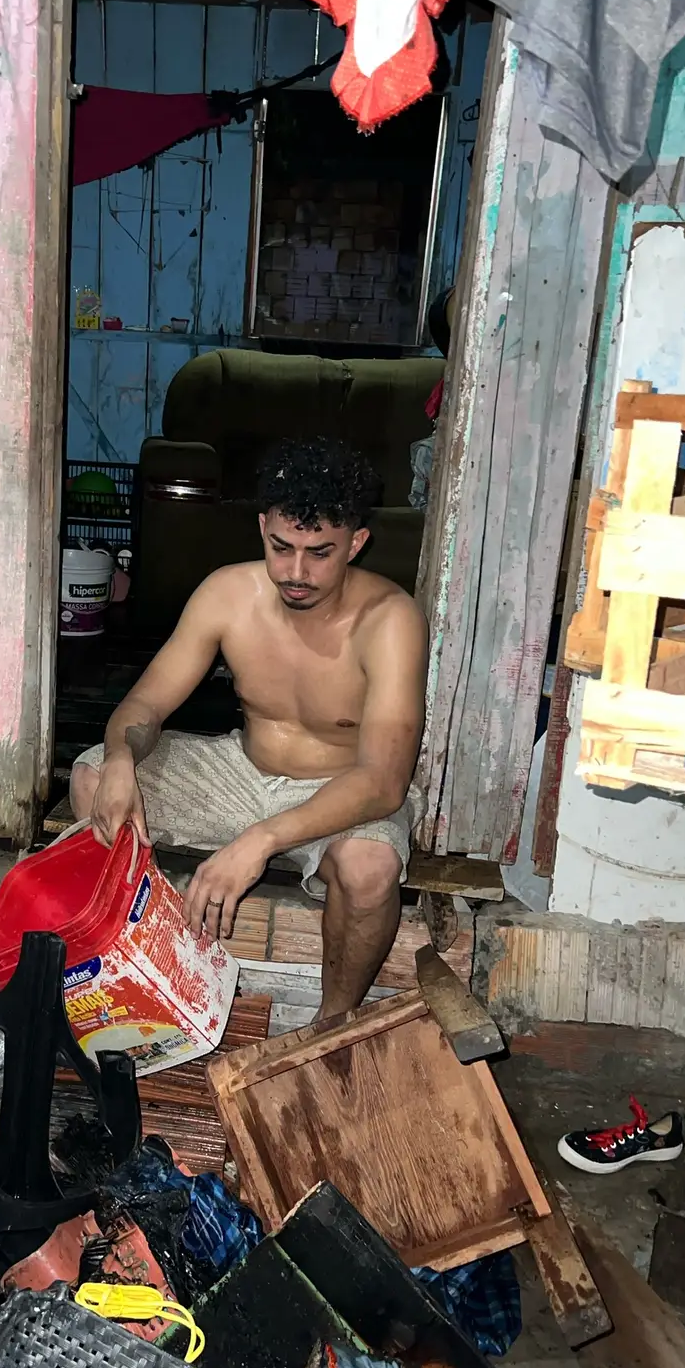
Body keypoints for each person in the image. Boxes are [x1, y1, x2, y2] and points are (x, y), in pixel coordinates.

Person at [71, 436, 428, 1021]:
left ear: (357, 543)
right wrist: (119, 759)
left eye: (320, 553)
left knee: (371, 870)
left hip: (339, 790)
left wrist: (260, 841)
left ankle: (331, 1023)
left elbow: (384, 782)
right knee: (92, 779)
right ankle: (149, 967)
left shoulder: (390, 620)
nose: (296, 572)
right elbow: (145, 706)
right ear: (262, 527)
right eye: (281, 547)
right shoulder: (228, 593)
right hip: (241, 771)